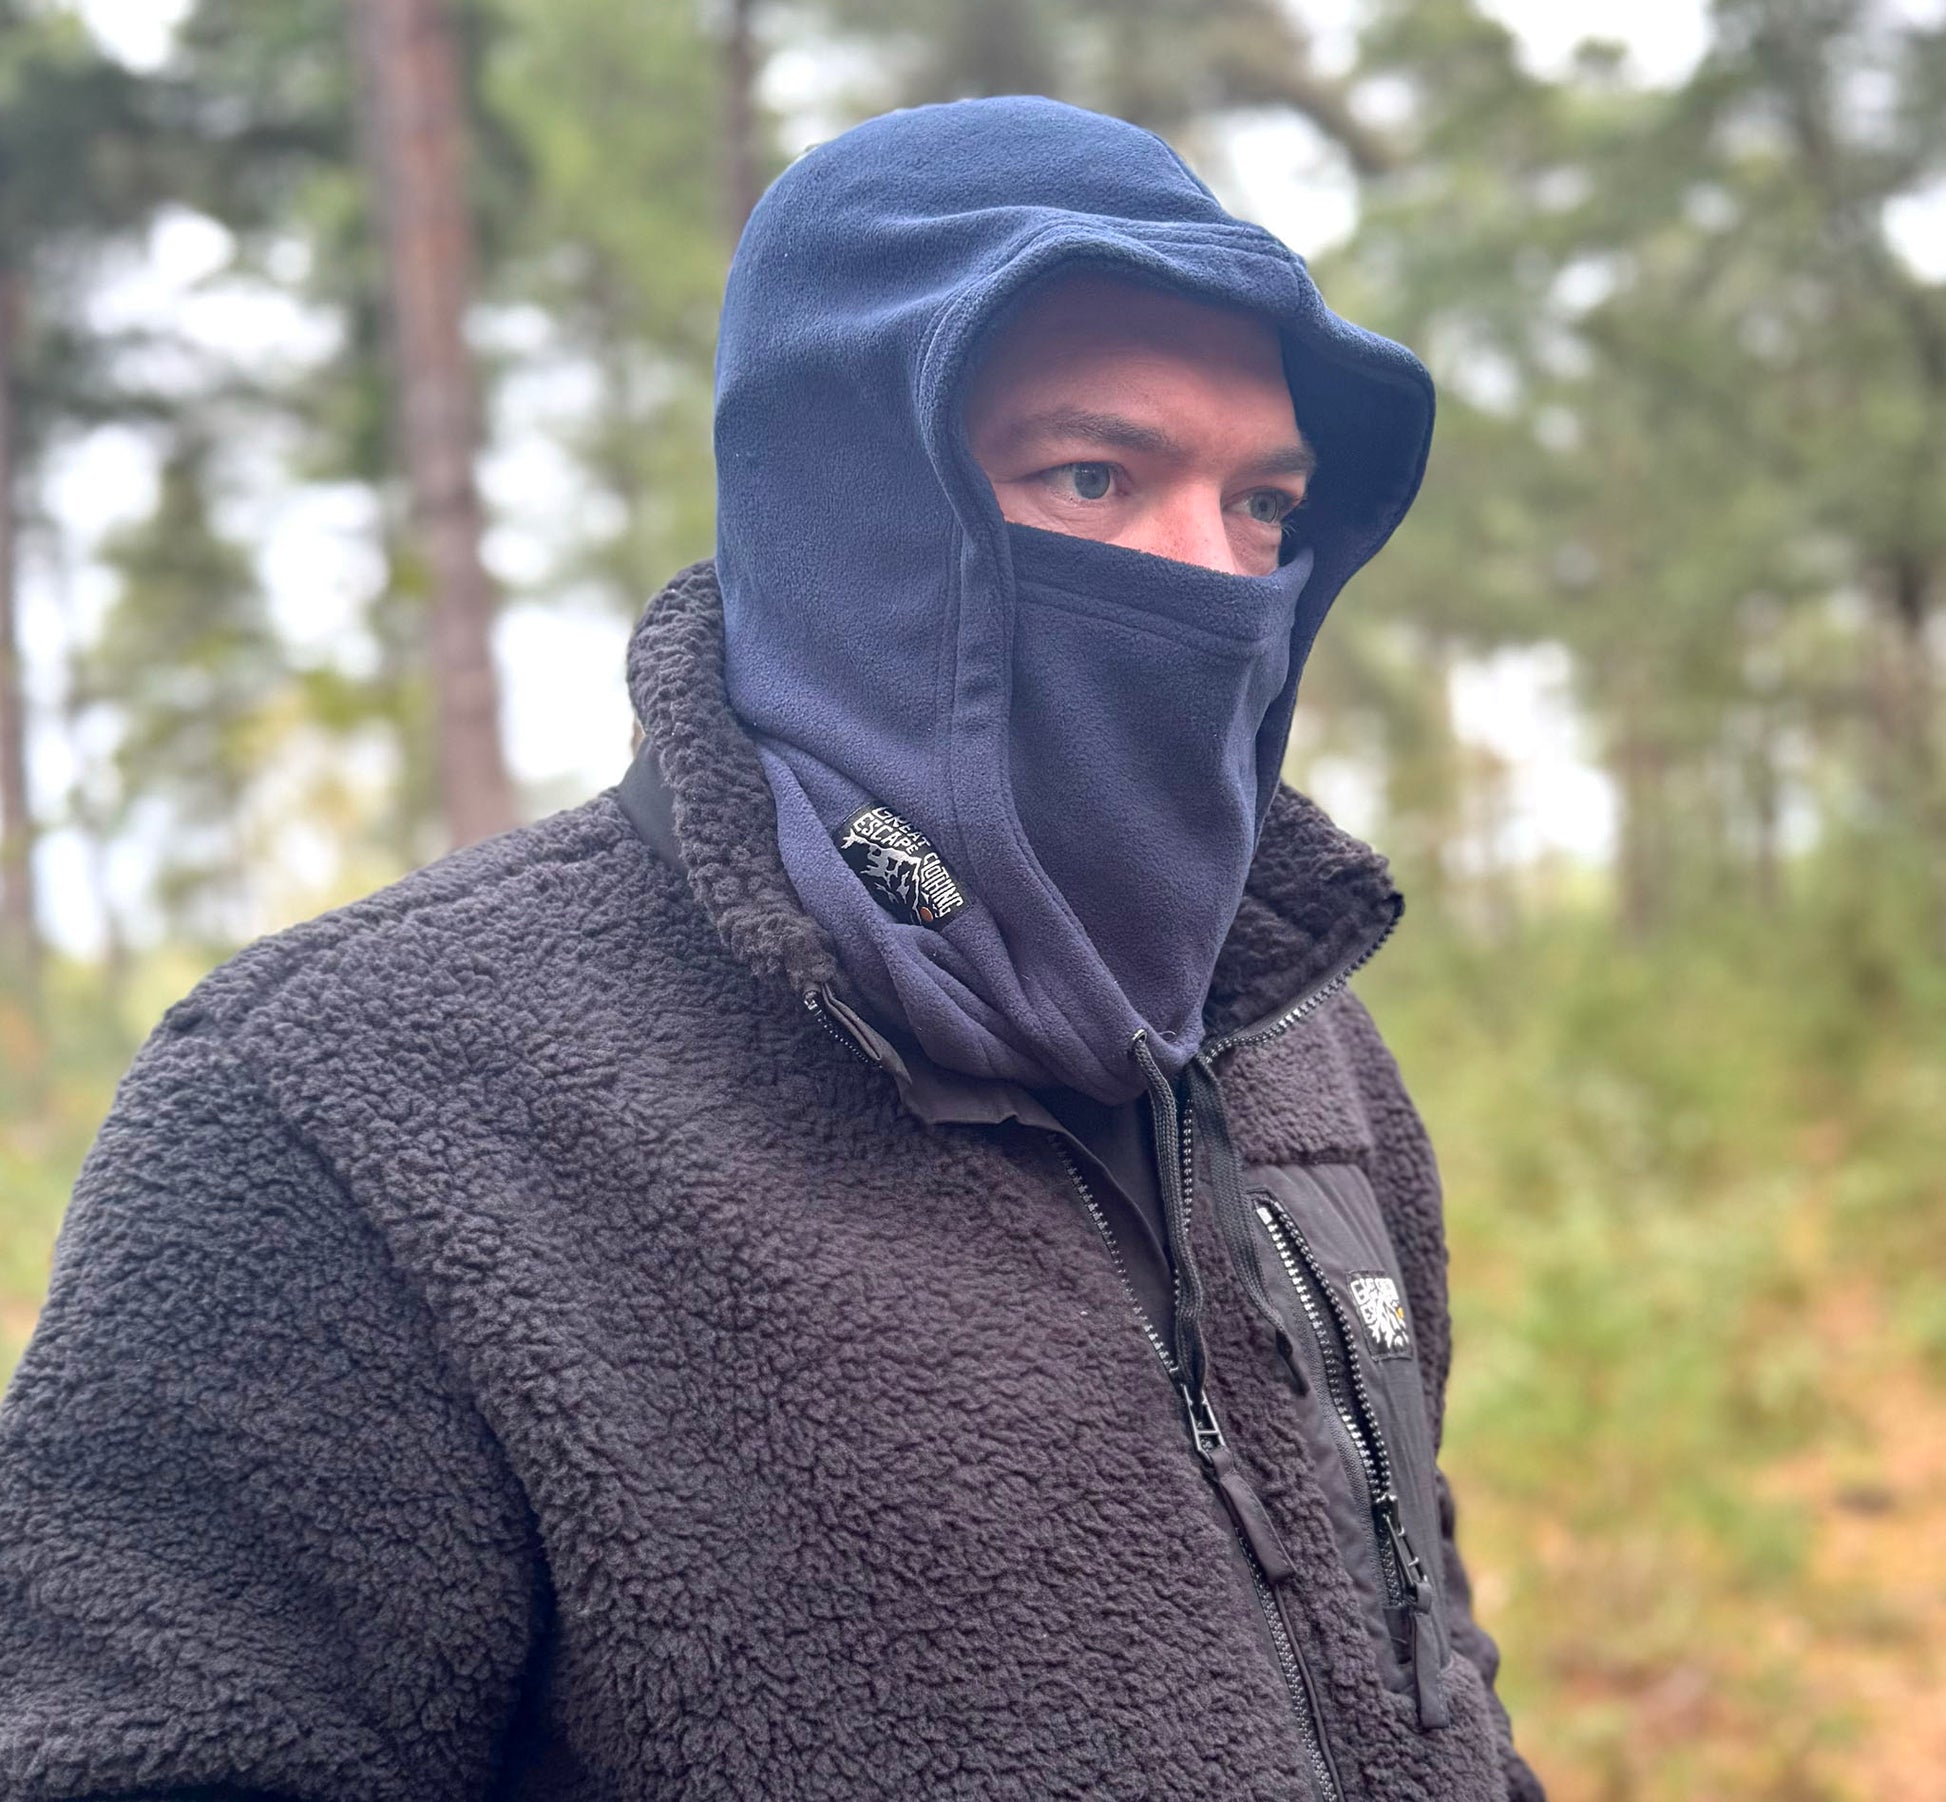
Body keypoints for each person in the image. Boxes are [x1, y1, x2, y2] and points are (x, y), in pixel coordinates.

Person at [0, 96, 1543, 1801]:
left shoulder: (1291, 1038)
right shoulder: (350, 1107)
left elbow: (1415, 1660)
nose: (1216, 581)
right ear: (845, 516)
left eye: (1261, 504)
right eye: (1093, 477)